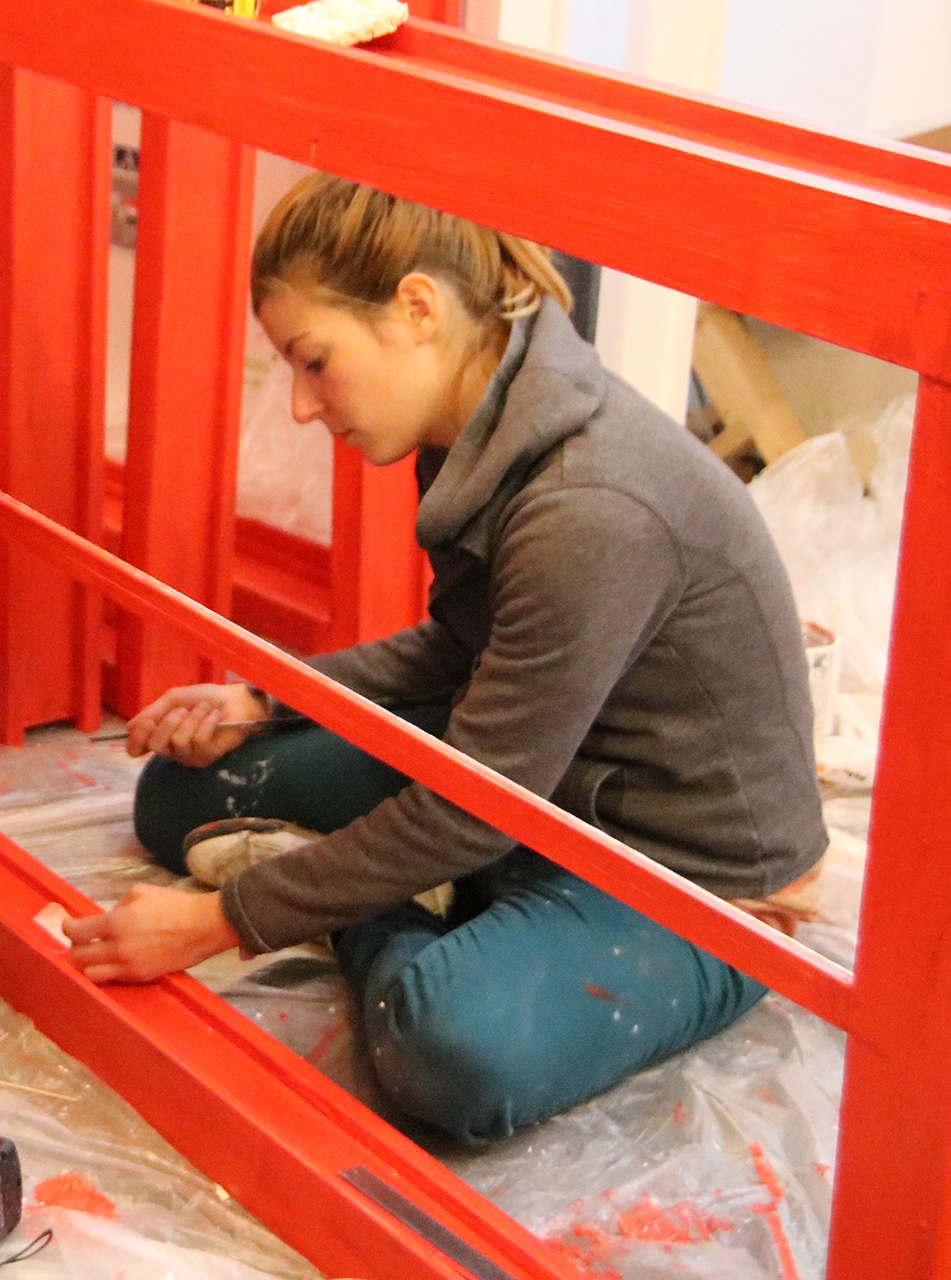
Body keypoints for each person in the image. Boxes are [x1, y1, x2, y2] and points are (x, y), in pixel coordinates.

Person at [64, 174, 826, 1144]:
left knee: (444, 1041)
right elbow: (456, 651)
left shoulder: (589, 504)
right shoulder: (480, 424)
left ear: (417, 309)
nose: (301, 405)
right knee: (183, 793)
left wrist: (227, 918)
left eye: (313, 361)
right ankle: (394, 887)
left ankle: (377, 904)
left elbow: (475, 800)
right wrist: (263, 697)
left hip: (677, 872)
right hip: (545, 789)